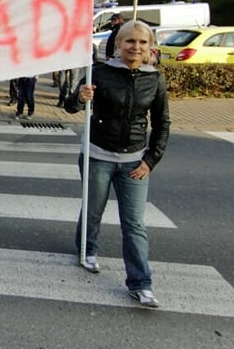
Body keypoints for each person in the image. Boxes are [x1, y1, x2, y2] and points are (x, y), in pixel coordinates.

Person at [64, 20, 170, 309]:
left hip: (135, 161)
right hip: (98, 153)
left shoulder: (155, 79)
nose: (135, 47)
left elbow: (162, 123)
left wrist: (150, 160)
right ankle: (87, 249)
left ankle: (141, 283)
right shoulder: (98, 72)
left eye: (142, 42)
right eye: (129, 42)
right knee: (94, 210)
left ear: (150, 47)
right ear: (118, 44)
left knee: (134, 223)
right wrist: (80, 97)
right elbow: (70, 106)